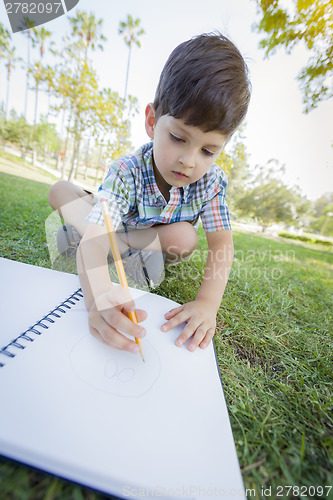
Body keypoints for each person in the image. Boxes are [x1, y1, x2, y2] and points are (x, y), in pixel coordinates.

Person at [48, 32, 251, 354]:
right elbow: (97, 235)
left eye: (208, 150)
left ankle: (119, 247)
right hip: (110, 224)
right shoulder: (128, 170)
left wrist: (207, 303)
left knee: (185, 238)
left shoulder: (211, 183)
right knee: (59, 190)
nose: (189, 160)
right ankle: (118, 247)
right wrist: (98, 298)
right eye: (179, 138)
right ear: (152, 121)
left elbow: (221, 244)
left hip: (153, 237)